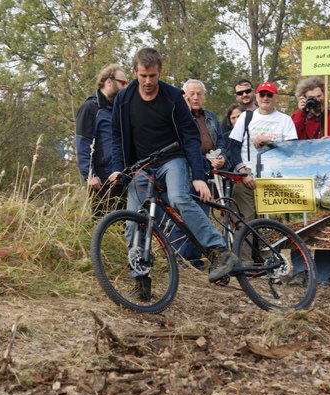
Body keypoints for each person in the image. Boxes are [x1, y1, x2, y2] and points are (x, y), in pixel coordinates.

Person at [108, 48, 238, 292]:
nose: (148, 81)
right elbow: (116, 136)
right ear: (135, 72)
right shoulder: (124, 99)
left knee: (179, 197)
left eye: (153, 76)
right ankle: (140, 279)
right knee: (133, 220)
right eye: (143, 76)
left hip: (172, 159)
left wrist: (198, 176)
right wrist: (117, 169)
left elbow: (190, 135)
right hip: (142, 165)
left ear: (160, 72)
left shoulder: (173, 97)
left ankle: (219, 251)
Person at [290, 77, 330, 286]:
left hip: (328, 179)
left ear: (325, 97)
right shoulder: (298, 118)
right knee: (298, 225)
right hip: (301, 178)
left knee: (324, 225)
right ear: (303, 99)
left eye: (319, 96)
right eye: (311, 97)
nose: (316, 100)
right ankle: (300, 271)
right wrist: (301, 112)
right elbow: (290, 138)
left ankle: (324, 275)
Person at [172, 78, 229, 268]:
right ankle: (179, 259)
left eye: (199, 94)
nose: (195, 97)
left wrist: (222, 158)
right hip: (184, 168)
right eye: (191, 94)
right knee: (182, 213)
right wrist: (185, 111)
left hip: (206, 170)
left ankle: (195, 259)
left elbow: (221, 143)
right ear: (184, 96)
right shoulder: (177, 115)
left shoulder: (210, 117)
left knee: (202, 214)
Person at [228, 82, 297, 231]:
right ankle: (244, 248)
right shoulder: (246, 117)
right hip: (247, 175)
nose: (265, 98)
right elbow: (233, 147)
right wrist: (243, 173)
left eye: (269, 95)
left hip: (275, 176)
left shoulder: (285, 120)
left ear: (276, 97)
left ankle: (272, 248)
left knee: (273, 223)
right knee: (245, 223)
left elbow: (292, 149)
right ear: (257, 96)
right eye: (262, 94)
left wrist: (271, 140)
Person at [75, 64, 128, 216]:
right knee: (101, 223)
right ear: (109, 82)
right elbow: (83, 143)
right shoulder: (90, 107)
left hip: (121, 177)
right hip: (101, 181)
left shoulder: (119, 108)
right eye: (123, 82)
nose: (125, 87)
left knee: (124, 223)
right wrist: (90, 175)